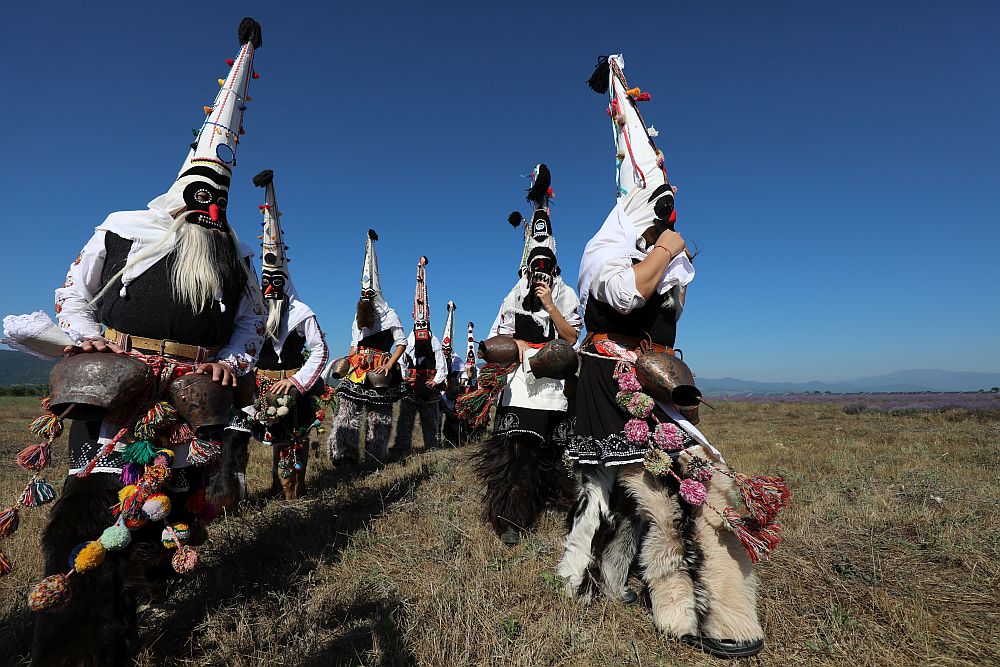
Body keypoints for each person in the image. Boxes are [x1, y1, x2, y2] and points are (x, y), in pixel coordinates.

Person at [25, 19, 266, 665]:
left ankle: (139, 608)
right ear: (182, 188)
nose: (210, 206)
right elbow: (74, 295)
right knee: (92, 513)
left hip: (189, 397)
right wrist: (87, 344)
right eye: (202, 193)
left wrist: (231, 361)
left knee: (172, 508)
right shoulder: (125, 227)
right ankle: (78, 643)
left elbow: (251, 323)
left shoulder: (237, 253)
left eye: (221, 195)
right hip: (118, 391)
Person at [557, 54, 787, 659]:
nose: (666, 216)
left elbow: (663, 310)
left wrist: (670, 259)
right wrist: (667, 249)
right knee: (655, 496)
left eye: (668, 208)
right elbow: (626, 291)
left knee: (701, 491)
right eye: (656, 207)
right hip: (612, 386)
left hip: (655, 386)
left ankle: (720, 610)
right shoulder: (601, 254)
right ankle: (677, 609)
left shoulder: (666, 261)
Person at [470, 164, 582, 546]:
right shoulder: (512, 296)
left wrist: (551, 306)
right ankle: (511, 517)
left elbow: (572, 336)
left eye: (546, 266)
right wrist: (517, 347)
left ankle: (553, 500)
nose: (540, 272)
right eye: (535, 266)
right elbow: (494, 337)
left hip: (555, 381)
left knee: (552, 449)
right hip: (520, 384)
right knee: (518, 449)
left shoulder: (565, 295)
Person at [238, 169, 329, 500]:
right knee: (242, 434)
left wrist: (295, 382)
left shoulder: (302, 312)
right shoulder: (251, 311)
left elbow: (320, 350)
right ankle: (238, 494)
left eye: (277, 282)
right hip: (259, 383)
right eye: (266, 282)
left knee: (294, 438)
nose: (270, 289)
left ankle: (291, 494)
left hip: (291, 381)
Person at [326, 230, 407, 466]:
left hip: (381, 369)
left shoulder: (390, 315)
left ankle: (375, 456)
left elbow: (401, 342)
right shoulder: (358, 317)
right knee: (347, 411)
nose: (365, 300)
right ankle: (345, 455)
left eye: (368, 296)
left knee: (379, 416)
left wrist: (390, 365)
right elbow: (354, 346)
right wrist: (345, 363)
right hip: (359, 369)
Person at [393, 257, 448, 453]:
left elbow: (441, 360)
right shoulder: (412, 337)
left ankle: (431, 448)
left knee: (430, 419)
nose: (421, 326)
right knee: (406, 417)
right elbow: (402, 356)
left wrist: (437, 380)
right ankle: (401, 446)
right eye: (418, 323)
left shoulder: (434, 339)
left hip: (429, 381)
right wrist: (404, 375)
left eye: (423, 324)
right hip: (413, 382)